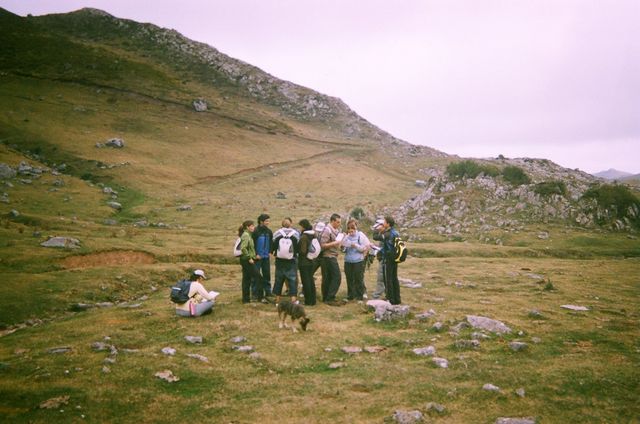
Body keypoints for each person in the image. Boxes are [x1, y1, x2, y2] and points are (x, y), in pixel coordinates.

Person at [272, 217, 300, 305]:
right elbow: (298, 247)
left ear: (282, 224)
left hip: (279, 259)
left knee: (278, 279)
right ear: (290, 224)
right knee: (292, 279)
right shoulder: (295, 234)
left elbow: (273, 246)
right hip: (291, 260)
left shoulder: (277, 233)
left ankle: (277, 300)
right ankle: (293, 300)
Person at [342, 219, 370, 302]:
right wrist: (344, 247)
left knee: (358, 278)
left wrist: (355, 246)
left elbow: (365, 248)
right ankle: (350, 296)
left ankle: (360, 296)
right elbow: (343, 249)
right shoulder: (346, 236)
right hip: (348, 261)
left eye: (353, 228)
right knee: (349, 278)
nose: (351, 231)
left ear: (356, 227)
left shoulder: (360, 235)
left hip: (358, 261)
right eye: (349, 228)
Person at [238, 220, 265, 304]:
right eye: (252, 226)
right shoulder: (246, 235)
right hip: (247, 260)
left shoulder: (248, 234)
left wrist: (254, 256)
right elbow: (243, 248)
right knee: (259, 278)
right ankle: (260, 298)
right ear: (247, 227)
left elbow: (249, 248)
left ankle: (246, 300)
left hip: (246, 260)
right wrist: (249, 258)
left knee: (246, 279)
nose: (253, 228)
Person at [320, 213, 344, 306]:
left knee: (328, 278)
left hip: (331, 256)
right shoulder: (327, 230)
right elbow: (322, 245)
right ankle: (330, 297)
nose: (339, 224)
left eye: (339, 222)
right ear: (332, 221)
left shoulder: (335, 230)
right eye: (337, 222)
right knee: (336, 277)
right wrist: (335, 243)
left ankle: (326, 297)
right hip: (328, 256)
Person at [380, 216, 402, 305]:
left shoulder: (388, 233)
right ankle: (397, 298)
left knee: (388, 278)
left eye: (384, 222)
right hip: (395, 257)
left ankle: (390, 299)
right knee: (394, 278)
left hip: (388, 257)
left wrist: (378, 230)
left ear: (388, 224)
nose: (383, 223)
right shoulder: (396, 232)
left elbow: (376, 237)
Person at [252, 213, 273, 300]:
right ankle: (255, 293)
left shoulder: (269, 231)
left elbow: (271, 243)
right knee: (255, 276)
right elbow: (252, 244)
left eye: (268, 221)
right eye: (266, 221)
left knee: (267, 275)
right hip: (257, 258)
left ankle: (268, 292)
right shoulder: (256, 231)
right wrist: (255, 254)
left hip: (266, 257)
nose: (268, 222)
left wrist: (270, 252)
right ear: (261, 221)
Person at [297, 219, 317, 306]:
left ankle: (308, 301)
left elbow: (303, 250)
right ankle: (313, 299)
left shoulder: (304, 237)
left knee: (306, 282)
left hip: (304, 262)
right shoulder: (313, 235)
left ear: (303, 226)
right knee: (311, 280)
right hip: (311, 260)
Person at [371, 218, 386, 299]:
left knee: (381, 278)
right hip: (383, 258)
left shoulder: (386, 234)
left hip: (385, 259)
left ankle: (376, 295)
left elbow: (375, 237)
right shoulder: (385, 234)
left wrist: (377, 230)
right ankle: (388, 295)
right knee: (385, 277)